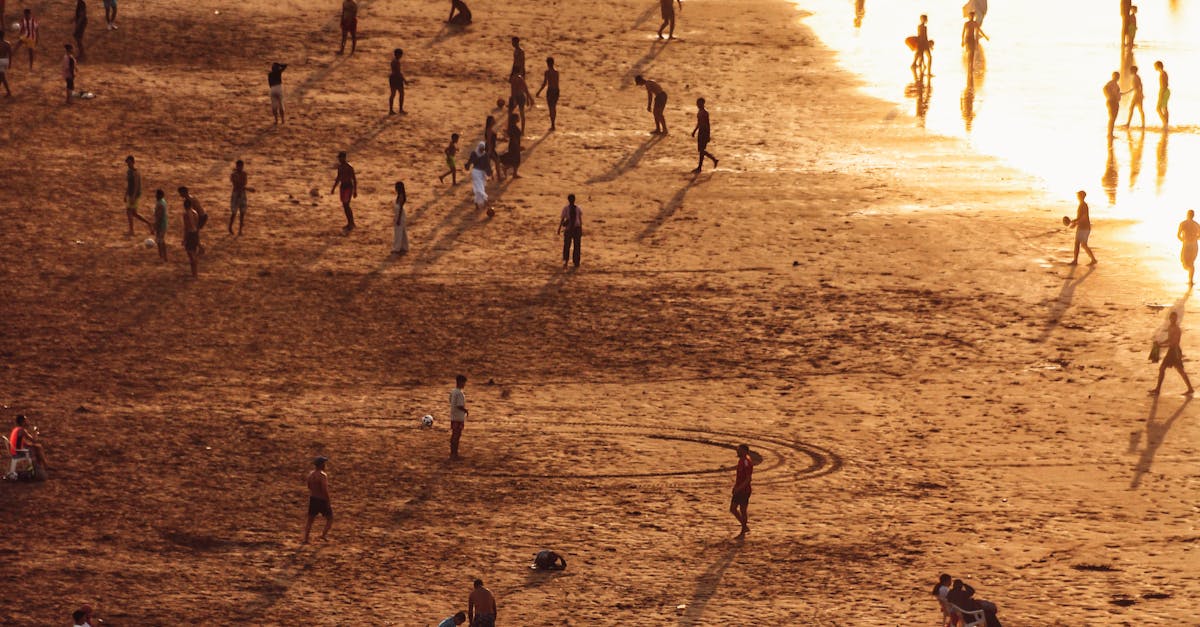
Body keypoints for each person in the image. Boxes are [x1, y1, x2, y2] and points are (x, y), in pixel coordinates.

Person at [303, 456, 333, 543]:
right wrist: (328, 500)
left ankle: (306, 539)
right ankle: (323, 535)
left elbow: (309, 486)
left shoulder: (310, 475)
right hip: (322, 500)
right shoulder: (323, 475)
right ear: (322, 465)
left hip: (313, 498)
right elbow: (324, 489)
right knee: (330, 518)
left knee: (310, 520)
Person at [123, 156, 152, 235]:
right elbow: (128, 184)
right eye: (127, 163)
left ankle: (131, 230)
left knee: (129, 212)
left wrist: (133, 196)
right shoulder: (129, 172)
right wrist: (126, 194)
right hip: (130, 194)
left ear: (133, 162)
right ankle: (149, 224)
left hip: (134, 195)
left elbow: (136, 185)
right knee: (134, 213)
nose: (128, 164)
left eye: (129, 162)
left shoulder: (136, 172)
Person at [730, 443, 754, 537]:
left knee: (742, 510)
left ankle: (743, 529)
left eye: (739, 450)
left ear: (744, 451)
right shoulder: (741, 460)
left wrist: (738, 488)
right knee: (733, 509)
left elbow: (748, 479)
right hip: (739, 489)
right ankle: (744, 526)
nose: (737, 451)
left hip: (744, 490)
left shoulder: (746, 462)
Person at [1068, 190, 1096, 265]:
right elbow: (1080, 217)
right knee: (1081, 244)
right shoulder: (1082, 204)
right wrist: (1074, 221)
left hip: (1084, 228)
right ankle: (1092, 259)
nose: (1077, 197)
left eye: (1078, 195)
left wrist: (1076, 223)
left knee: (1081, 244)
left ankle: (1076, 261)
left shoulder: (1083, 205)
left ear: (1081, 196)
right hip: (1084, 227)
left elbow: (1084, 217)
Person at [331, 151, 357, 232]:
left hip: (348, 187)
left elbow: (354, 179)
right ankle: (350, 222)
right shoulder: (340, 167)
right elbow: (338, 178)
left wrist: (355, 191)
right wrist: (333, 188)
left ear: (344, 158)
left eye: (340, 158)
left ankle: (351, 223)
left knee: (346, 205)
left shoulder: (349, 167)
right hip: (343, 187)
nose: (339, 159)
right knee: (345, 206)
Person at [690, 98, 718, 174]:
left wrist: (708, 134)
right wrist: (694, 131)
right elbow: (699, 123)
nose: (698, 105)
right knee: (701, 150)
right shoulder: (700, 112)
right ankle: (713, 160)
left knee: (701, 150)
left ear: (702, 104)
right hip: (701, 132)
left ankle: (701, 166)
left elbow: (707, 124)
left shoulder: (705, 113)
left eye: (699, 103)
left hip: (704, 132)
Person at [557, 193, 582, 269]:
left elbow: (562, 219)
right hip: (574, 228)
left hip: (571, 229)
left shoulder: (568, 208)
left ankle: (569, 261)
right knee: (574, 246)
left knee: (569, 246)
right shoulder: (577, 208)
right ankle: (574, 262)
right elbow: (580, 219)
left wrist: (559, 229)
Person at [535, 57, 559, 131]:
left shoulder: (547, 72)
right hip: (556, 90)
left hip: (551, 90)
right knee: (554, 107)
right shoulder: (556, 72)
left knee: (550, 107)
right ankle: (553, 124)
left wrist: (539, 91)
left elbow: (545, 83)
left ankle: (552, 124)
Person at [466, 142, 491, 211]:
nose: (482, 150)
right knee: (479, 188)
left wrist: (489, 173)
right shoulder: (475, 153)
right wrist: (467, 165)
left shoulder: (483, 154)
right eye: (481, 149)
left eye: (483, 149)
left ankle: (477, 204)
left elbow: (487, 165)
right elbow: (469, 161)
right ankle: (486, 201)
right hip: (476, 173)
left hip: (481, 174)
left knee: (478, 188)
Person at [1178, 210, 1200, 286]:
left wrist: (1183, 240)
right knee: (1191, 263)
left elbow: (1178, 235)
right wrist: (1194, 238)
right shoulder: (1197, 224)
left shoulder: (1183, 223)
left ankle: (1190, 279)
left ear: (1187, 215)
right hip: (1194, 245)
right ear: (1193, 215)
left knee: (1184, 261)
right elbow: (1199, 236)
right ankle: (1190, 280)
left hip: (1186, 244)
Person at [449, 374, 468, 459]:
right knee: (457, 435)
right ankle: (454, 454)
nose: (464, 384)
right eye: (464, 382)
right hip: (459, 418)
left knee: (454, 435)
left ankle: (453, 453)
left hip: (453, 416)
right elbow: (459, 405)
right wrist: (466, 410)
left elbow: (450, 401)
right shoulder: (460, 393)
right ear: (460, 382)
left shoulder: (453, 391)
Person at [501, 112, 523, 179]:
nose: (518, 119)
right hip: (514, 145)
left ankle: (512, 172)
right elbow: (514, 138)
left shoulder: (511, 127)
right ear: (515, 119)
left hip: (512, 145)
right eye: (517, 118)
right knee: (516, 159)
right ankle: (511, 172)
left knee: (514, 159)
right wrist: (518, 146)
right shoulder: (514, 128)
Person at [229, 160, 248, 235]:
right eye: (239, 166)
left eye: (241, 166)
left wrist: (243, 188)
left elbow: (242, 184)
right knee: (234, 212)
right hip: (236, 194)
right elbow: (237, 184)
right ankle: (230, 227)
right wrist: (246, 188)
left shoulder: (243, 174)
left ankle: (240, 230)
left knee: (242, 213)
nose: (240, 168)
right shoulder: (234, 174)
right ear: (237, 166)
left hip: (241, 193)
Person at [182, 198, 200, 277]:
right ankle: (194, 273)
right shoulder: (195, 213)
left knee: (191, 254)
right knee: (194, 253)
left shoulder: (185, 214)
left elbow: (186, 228)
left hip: (190, 234)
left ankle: (194, 273)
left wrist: (184, 239)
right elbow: (197, 226)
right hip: (195, 233)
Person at [1123, 65, 1144, 130]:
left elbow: (1136, 87)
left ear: (1133, 70)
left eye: (1131, 70)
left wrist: (1126, 93)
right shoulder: (1137, 77)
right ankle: (1142, 124)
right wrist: (1142, 93)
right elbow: (1140, 85)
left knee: (1132, 109)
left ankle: (1128, 124)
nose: (1130, 71)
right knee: (1139, 109)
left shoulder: (1135, 77)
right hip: (1138, 94)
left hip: (1137, 95)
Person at [388, 48, 407, 115]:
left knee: (393, 94)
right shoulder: (396, 62)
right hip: (396, 79)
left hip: (392, 78)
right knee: (401, 94)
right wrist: (404, 80)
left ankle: (391, 110)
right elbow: (398, 72)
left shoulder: (393, 61)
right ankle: (400, 109)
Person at [392, 181, 408, 255]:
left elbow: (400, 208)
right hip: (399, 214)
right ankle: (404, 246)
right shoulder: (400, 195)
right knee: (402, 231)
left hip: (400, 215)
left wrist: (398, 219)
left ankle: (397, 248)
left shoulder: (401, 196)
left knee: (398, 232)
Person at [1103, 72, 1122, 139]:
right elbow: (1105, 89)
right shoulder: (1111, 83)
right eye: (1116, 76)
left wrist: (1118, 95)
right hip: (1112, 102)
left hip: (1114, 102)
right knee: (1112, 118)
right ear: (1113, 76)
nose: (1117, 78)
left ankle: (1110, 134)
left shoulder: (1116, 85)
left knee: (1113, 118)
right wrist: (1110, 96)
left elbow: (1116, 93)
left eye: (1118, 76)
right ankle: (1109, 134)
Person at [153, 189, 168, 262]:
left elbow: (159, 217)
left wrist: (155, 226)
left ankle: (163, 257)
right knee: (160, 241)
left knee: (160, 241)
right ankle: (163, 257)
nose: (156, 196)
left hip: (161, 225)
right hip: (163, 224)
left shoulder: (160, 204)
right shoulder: (162, 201)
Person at [1154, 60, 1169, 131]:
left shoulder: (1162, 74)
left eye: (1155, 66)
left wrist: (1161, 94)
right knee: (1164, 108)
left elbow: (1164, 85)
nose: (1154, 67)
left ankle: (1165, 123)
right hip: (1165, 91)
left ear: (1158, 66)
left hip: (1164, 91)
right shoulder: (1163, 73)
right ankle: (1165, 125)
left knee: (1158, 108)